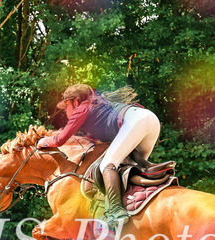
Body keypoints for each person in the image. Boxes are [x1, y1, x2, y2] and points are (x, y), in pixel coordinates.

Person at [37, 84, 161, 229]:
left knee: (107, 165)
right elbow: (93, 140)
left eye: (66, 105)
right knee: (130, 168)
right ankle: (137, 207)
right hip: (150, 121)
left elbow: (60, 140)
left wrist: (43, 141)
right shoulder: (98, 107)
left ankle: (116, 211)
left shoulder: (82, 108)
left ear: (75, 102)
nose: (65, 110)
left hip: (135, 121)